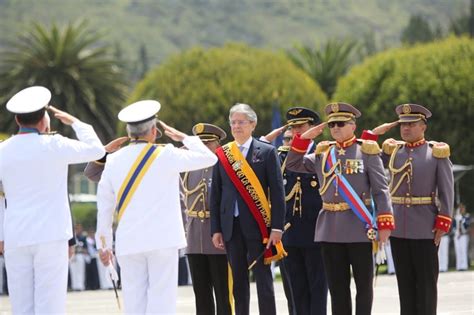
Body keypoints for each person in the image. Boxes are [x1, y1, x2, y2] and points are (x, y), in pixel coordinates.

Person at [96, 100, 217, 314]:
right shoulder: (166, 154)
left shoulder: (113, 160)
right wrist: (184, 138)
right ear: (153, 131)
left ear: (129, 131)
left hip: (129, 241)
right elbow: (209, 158)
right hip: (163, 240)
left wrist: (103, 244)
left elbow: (104, 205)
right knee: (162, 302)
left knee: (133, 303)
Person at [0, 86, 105, 314]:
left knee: (21, 307)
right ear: (44, 118)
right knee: (50, 306)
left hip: (16, 237)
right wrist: (75, 122)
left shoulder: (2, 150)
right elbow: (97, 150)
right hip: (51, 236)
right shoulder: (55, 144)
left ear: (17, 119)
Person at [285, 102, 394, 315]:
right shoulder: (323, 152)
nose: (335, 128)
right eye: (332, 124)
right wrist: (304, 138)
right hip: (330, 229)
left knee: (363, 287)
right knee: (337, 288)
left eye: (341, 123)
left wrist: (385, 223)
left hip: (359, 228)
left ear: (353, 125)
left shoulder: (367, 151)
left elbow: (381, 190)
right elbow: (293, 165)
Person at [370, 103, 454, 315]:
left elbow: (446, 191)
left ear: (423, 126)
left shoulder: (436, 153)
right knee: (405, 286)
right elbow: (368, 157)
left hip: (426, 227)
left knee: (426, 285)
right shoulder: (392, 152)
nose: (406, 129)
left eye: (412, 124)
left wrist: (443, 222)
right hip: (399, 227)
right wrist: (373, 135)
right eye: (403, 125)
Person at [210, 103, 286, 315]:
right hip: (230, 227)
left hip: (259, 226)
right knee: (239, 282)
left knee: (263, 280)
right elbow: (215, 194)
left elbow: (278, 194)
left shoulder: (267, 152)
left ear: (253, 124)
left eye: (241, 122)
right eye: (233, 123)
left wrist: (277, 228)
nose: (236, 127)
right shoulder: (222, 154)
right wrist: (215, 229)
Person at [266, 107, 328, 315]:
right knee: (295, 290)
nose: (295, 132)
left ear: (313, 128)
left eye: (301, 126)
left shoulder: (322, 152)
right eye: (292, 127)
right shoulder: (282, 155)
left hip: (316, 229)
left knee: (317, 287)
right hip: (289, 230)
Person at [182, 123, 232, 315]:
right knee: (201, 294)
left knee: (223, 294)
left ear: (218, 145)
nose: (204, 147)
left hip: (218, 237)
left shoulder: (224, 168)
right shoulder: (188, 168)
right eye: (200, 143)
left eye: (208, 143)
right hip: (194, 237)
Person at [453, 203, 470, 271]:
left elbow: (467, 225)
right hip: (457, 236)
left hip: (463, 235)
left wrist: (462, 220)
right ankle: (459, 266)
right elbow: (454, 226)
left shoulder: (466, 216)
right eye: (460, 208)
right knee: (458, 251)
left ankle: (464, 266)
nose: (461, 210)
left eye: (462, 208)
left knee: (463, 250)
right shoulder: (456, 217)